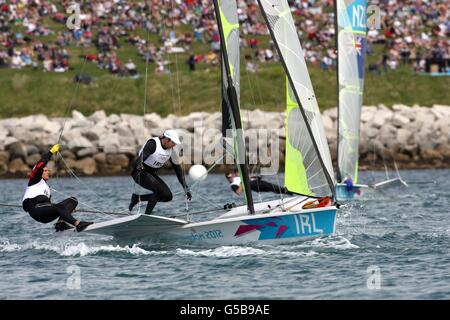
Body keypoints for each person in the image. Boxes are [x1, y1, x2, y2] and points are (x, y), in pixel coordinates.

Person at [22, 144, 93, 232]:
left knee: (73, 200)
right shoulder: (35, 180)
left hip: (45, 214)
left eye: (48, 170)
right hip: (36, 211)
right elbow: (40, 164)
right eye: (45, 171)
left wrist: (67, 210)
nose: (48, 172)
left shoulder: (44, 187)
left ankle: (61, 223)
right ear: (39, 172)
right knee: (60, 207)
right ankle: (78, 224)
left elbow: (49, 206)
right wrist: (51, 152)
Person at [128, 130, 192, 215]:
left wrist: (186, 188)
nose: (174, 145)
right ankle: (147, 216)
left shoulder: (171, 152)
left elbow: (178, 171)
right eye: (173, 142)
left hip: (151, 174)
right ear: (166, 139)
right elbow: (141, 158)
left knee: (167, 196)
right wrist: (139, 165)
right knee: (158, 190)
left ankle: (136, 198)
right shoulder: (153, 144)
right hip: (139, 172)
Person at [225, 170, 292, 196]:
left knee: (273, 188)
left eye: (231, 176)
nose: (231, 178)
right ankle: (287, 191)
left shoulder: (237, 177)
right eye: (229, 177)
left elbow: (249, 178)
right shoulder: (233, 185)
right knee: (272, 187)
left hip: (257, 182)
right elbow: (238, 192)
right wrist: (242, 182)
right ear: (227, 179)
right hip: (255, 186)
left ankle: (289, 192)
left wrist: (257, 177)